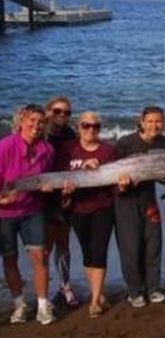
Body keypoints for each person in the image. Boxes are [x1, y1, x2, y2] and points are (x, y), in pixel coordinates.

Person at [57, 112, 117, 318]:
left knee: (99, 251)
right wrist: (69, 184)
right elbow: (60, 176)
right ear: (78, 126)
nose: (91, 129)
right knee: (87, 252)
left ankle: (94, 302)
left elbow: (115, 181)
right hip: (78, 207)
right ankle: (97, 293)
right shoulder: (68, 149)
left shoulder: (108, 150)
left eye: (96, 126)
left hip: (103, 207)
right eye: (86, 125)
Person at [0, 105, 56, 325]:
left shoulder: (47, 150)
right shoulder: (5, 146)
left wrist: (49, 187)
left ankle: (43, 306)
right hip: (5, 212)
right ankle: (20, 304)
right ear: (21, 121)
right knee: (10, 258)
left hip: (33, 210)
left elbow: (48, 178)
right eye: (31, 120)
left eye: (41, 122)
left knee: (39, 257)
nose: (36, 125)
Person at [114, 106, 165, 308]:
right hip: (125, 201)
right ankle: (135, 291)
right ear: (142, 122)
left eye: (159, 121)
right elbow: (110, 173)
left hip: (149, 199)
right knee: (131, 248)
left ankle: (153, 288)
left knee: (153, 244)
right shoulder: (125, 143)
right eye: (151, 121)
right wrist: (121, 186)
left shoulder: (162, 143)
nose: (155, 125)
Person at [44, 96, 79, 308]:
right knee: (45, 245)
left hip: (63, 191)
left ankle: (65, 286)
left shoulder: (70, 134)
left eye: (66, 113)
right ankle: (45, 292)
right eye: (57, 111)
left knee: (63, 243)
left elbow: (73, 161)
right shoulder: (40, 132)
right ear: (48, 111)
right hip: (42, 194)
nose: (62, 116)